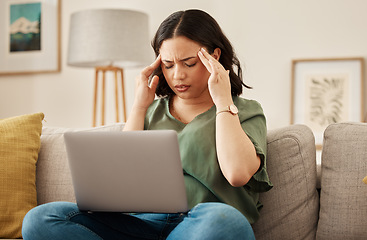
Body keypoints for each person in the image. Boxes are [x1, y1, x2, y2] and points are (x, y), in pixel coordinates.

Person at [22, 9, 272, 240]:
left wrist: (223, 100)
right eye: (168, 65)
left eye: (189, 63)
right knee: (41, 219)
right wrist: (139, 106)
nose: (177, 75)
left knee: (226, 221)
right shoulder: (151, 112)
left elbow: (237, 174)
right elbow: (121, 181)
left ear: (214, 57)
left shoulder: (245, 111)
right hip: (138, 223)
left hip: (199, 225)